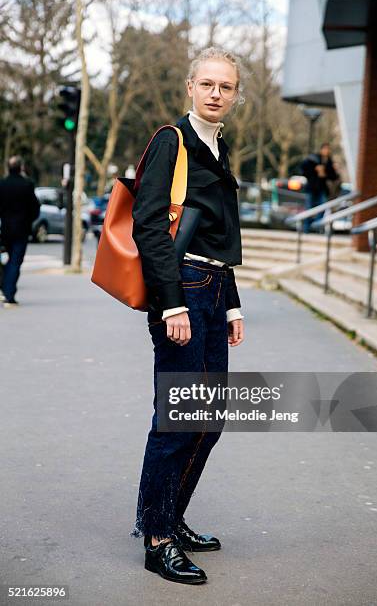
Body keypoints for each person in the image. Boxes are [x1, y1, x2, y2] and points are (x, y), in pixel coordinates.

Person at [129, 46, 245, 585]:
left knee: (210, 418)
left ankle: (171, 516)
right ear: (190, 88)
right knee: (178, 419)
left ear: (236, 95)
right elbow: (149, 226)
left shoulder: (220, 148)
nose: (216, 93)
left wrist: (234, 300)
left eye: (225, 86)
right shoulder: (171, 143)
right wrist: (171, 301)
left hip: (215, 288)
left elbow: (218, 231)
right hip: (184, 290)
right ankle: (156, 538)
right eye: (207, 84)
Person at [0, 156, 40, 307]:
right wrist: (29, 220)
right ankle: (9, 294)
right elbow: (35, 207)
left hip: (5, 229)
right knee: (15, 261)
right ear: (21, 168)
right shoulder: (27, 185)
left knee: (11, 261)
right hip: (22, 229)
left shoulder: (2, 184)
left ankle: (5, 287)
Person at [300, 142, 339, 233]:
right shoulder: (313, 159)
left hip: (322, 188)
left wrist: (330, 171)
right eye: (325, 149)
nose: (326, 151)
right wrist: (315, 170)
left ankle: (316, 226)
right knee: (309, 208)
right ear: (321, 150)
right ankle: (306, 228)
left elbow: (333, 177)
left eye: (328, 149)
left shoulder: (329, 162)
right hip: (312, 188)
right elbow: (303, 170)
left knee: (322, 207)